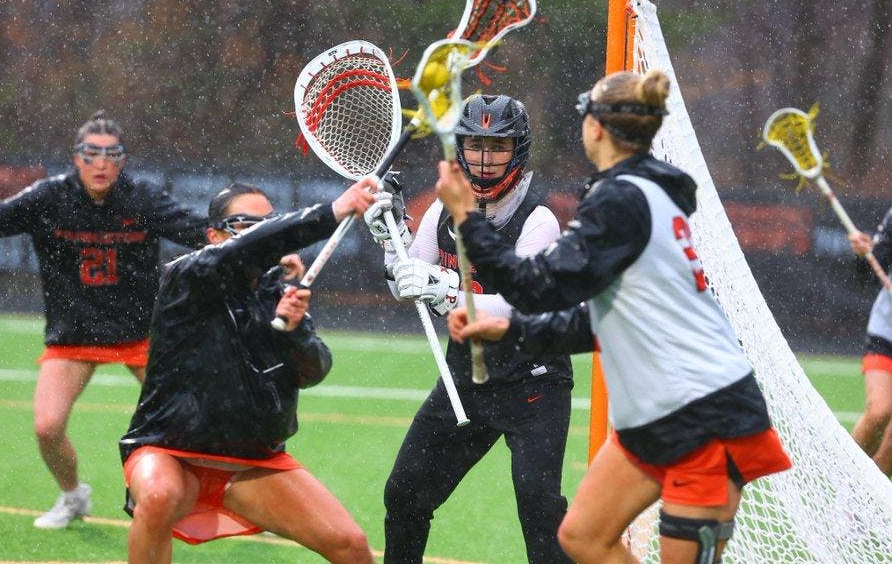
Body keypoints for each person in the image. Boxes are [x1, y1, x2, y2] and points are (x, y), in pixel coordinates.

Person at [436, 71, 793, 564]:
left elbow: (534, 286)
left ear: (597, 128)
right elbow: (609, 318)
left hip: (702, 413)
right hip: (655, 412)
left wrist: (467, 217)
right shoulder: (638, 192)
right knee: (583, 537)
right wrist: (513, 330)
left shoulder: (623, 198)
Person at [119, 179, 376, 564]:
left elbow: (315, 370)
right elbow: (248, 250)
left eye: (267, 223)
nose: (258, 233)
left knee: (351, 546)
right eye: (245, 225)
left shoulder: (277, 292)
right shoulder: (186, 276)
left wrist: (292, 332)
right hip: (170, 451)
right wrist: (332, 212)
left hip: (253, 462)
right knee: (157, 496)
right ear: (213, 235)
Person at [365, 94, 573, 563]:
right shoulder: (441, 211)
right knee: (404, 495)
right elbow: (409, 282)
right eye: (475, 145)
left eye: (497, 147)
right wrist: (389, 237)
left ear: (517, 150)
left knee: (540, 513)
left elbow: (515, 309)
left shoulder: (538, 221)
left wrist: (447, 290)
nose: (484, 159)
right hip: (468, 379)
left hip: (533, 384)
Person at [0, 111, 208, 529]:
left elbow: (201, 231)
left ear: (123, 160)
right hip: (74, 334)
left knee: (195, 419)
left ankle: (234, 495)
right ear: (77, 158)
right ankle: (73, 496)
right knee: (47, 427)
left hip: (141, 332)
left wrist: (264, 243)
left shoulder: (142, 198)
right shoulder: (48, 198)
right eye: (91, 153)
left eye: (112, 154)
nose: (101, 163)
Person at [848, 208, 892, 475]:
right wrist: (865, 255)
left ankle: (862, 511)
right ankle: (847, 492)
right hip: (887, 330)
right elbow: (868, 275)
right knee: (879, 413)